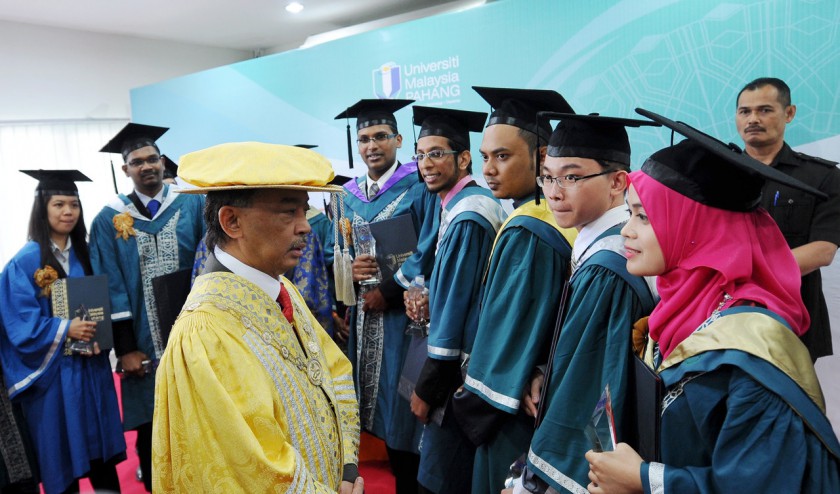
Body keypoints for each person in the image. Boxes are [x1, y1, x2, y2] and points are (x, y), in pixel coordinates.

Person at [585, 109, 840, 493]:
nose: (626, 230)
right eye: (629, 214)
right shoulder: (675, 313)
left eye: (644, 217)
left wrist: (644, 479)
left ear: (697, 230)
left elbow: (761, 485)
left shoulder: (751, 353)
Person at [152, 142, 363, 493]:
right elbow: (253, 467)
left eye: (304, 211)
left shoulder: (282, 289)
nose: (305, 227)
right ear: (232, 221)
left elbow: (333, 371)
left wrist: (347, 469)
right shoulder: (205, 332)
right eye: (288, 212)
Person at [513, 114, 658, 493]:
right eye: (548, 177)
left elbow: (590, 388)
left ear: (618, 182)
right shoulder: (601, 243)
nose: (554, 192)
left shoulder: (609, 267)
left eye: (572, 178)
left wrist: (532, 483)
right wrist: (546, 369)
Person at [449, 87, 578, 493]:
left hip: (513, 414)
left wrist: (471, 401)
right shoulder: (547, 216)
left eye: (502, 156)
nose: (489, 169)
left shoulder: (531, 230)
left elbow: (508, 336)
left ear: (542, 157)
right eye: (485, 156)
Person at [89, 123, 206, 491]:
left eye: (152, 159)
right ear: (126, 169)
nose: (147, 166)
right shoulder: (108, 220)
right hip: (143, 345)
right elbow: (109, 284)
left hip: (196, 335)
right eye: (137, 162)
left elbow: (209, 264)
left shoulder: (192, 204)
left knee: (204, 420)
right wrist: (125, 348)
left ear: (162, 162)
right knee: (152, 430)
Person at [333, 99, 438, 493]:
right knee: (378, 413)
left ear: (398, 140)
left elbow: (430, 250)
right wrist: (348, 272)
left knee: (406, 416)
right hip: (365, 320)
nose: (371, 145)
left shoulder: (420, 188)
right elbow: (335, 252)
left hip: (407, 321)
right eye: (364, 139)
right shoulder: (347, 195)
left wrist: (390, 292)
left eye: (380, 136)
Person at [0, 170, 125, 494]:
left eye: (74, 204)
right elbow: (18, 322)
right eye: (59, 204)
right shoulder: (25, 262)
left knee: (101, 455)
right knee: (61, 456)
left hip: (91, 369)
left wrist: (100, 336)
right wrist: (66, 327)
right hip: (54, 378)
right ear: (42, 209)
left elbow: (104, 302)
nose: (68, 211)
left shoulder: (86, 252)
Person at [405, 106, 507, 493]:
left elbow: (455, 312)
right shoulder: (457, 203)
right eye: (420, 155)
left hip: (458, 377)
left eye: (436, 153)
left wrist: (426, 390)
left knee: (441, 477)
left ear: (463, 159)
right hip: (462, 371)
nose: (425, 164)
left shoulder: (469, 215)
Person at [735, 77, 840, 361]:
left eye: (765, 110)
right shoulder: (715, 176)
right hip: (725, 315)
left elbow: (823, 250)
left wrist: (746, 272)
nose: (753, 119)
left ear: (789, 113)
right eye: (745, 111)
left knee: (790, 391)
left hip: (793, 318)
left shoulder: (822, 177)